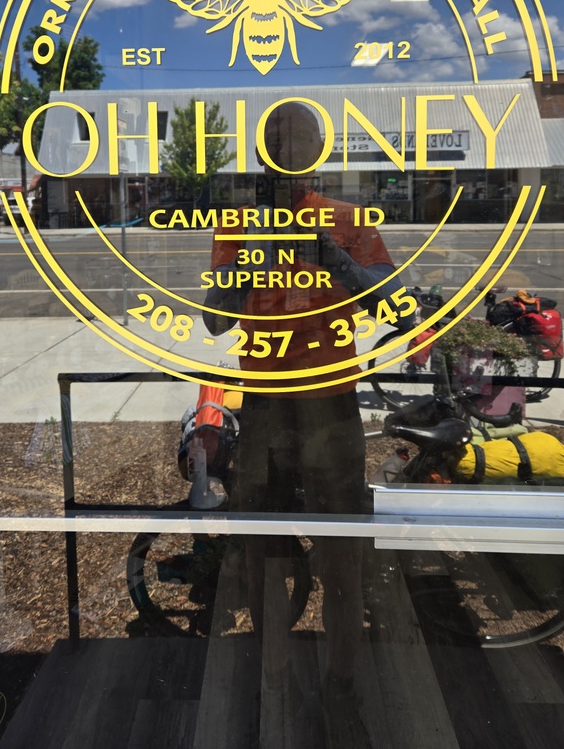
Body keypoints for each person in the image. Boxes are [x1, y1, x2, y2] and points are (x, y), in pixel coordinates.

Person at [202, 101, 411, 748]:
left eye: (296, 137)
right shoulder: (239, 223)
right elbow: (214, 319)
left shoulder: (346, 220)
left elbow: (398, 308)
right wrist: (249, 263)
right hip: (266, 404)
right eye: (274, 136)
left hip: (329, 401)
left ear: (318, 149)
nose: (284, 149)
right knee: (262, 552)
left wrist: (333, 259)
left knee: (342, 556)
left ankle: (341, 687)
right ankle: (273, 681)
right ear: (261, 153)